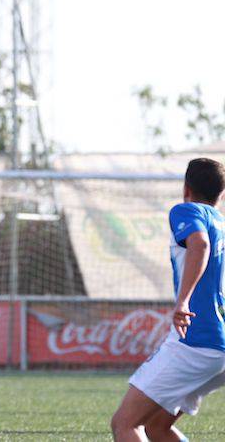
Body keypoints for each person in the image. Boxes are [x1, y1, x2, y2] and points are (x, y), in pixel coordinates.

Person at [111, 158, 225, 442]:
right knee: (156, 427)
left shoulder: (185, 210)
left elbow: (199, 243)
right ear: (220, 195)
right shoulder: (221, 224)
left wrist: (183, 301)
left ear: (186, 189)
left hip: (196, 340)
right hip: (218, 346)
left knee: (125, 424)